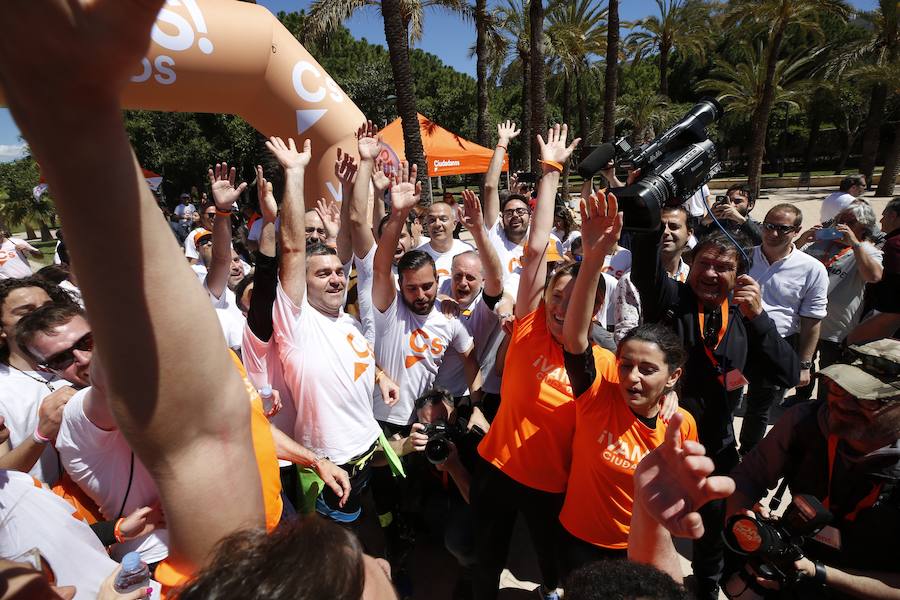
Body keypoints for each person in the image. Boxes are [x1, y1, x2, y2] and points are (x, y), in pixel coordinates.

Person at [0, 2, 287, 591]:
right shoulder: (75, 418)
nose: (79, 360)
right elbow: (192, 428)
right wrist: (72, 103)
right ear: (37, 366)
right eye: (61, 358)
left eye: (86, 342)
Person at [473, 124, 609, 600]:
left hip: (553, 486)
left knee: (556, 570)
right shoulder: (528, 326)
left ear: (593, 311)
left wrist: (668, 401)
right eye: (556, 296)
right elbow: (534, 248)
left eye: (574, 302)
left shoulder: (601, 363)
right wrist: (550, 171)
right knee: (479, 558)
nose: (560, 308)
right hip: (497, 465)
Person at [631, 215, 799, 598]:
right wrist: (651, 213)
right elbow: (645, 267)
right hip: (659, 440)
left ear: (741, 275)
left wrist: (760, 320)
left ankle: (706, 587)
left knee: (711, 527)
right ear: (691, 264)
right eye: (703, 263)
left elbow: (788, 374)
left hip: (716, 445)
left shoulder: (744, 317)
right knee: (645, 522)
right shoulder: (670, 299)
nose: (710, 273)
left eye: (723, 267)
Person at [559, 189, 697, 578]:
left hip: (638, 549)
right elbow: (575, 339)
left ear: (673, 376)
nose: (632, 377)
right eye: (626, 365)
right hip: (578, 541)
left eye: (648, 370)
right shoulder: (597, 395)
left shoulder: (680, 424)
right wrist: (593, 258)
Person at [726, 338, 900, 599]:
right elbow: (746, 478)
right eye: (840, 389)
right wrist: (747, 522)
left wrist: (817, 573)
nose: (844, 404)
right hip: (801, 555)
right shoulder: (805, 421)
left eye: (867, 400)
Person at [265, 135, 379, 525]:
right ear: (301, 283)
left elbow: (348, 236)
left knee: (376, 533)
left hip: (371, 449)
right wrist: (294, 173)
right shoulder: (295, 322)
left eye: (337, 273)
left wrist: (379, 375)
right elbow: (295, 248)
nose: (334, 279)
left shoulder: (346, 320)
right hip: (329, 465)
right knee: (335, 557)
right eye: (322, 274)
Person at [740, 204, 828, 453]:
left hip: (777, 344)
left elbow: (812, 320)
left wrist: (804, 364)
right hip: (737, 338)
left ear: (797, 231)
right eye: (769, 225)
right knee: (727, 398)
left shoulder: (812, 269)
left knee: (760, 406)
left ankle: (748, 454)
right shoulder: (742, 256)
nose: (773, 233)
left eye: (782, 228)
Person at [793, 201, 884, 402]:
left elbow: (874, 276)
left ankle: (824, 406)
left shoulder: (868, 251)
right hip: (808, 320)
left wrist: (855, 244)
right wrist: (802, 240)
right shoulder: (820, 244)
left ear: (864, 226)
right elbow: (789, 262)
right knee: (803, 362)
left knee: (830, 369)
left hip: (837, 326)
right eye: (840, 220)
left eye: (850, 222)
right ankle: (801, 399)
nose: (842, 225)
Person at [0, 277, 78, 485]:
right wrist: (41, 434)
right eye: (26, 311)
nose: (42, 315)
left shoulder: (78, 362)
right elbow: (2, 475)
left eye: (48, 307)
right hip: (45, 509)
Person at [433, 190, 507, 409]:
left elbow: (496, 277)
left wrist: (477, 231)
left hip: (464, 396)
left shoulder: (485, 305)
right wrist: (439, 298)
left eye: (471, 278)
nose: (462, 283)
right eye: (458, 276)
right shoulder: (442, 287)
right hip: (429, 392)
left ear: (482, 280)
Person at [482, 120, 563, 298]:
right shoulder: (496, 235)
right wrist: (503, 141)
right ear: (502, 218)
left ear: (531, 215)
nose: (515, 216)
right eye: (509, 212)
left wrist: (552, 168)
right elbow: (490, 186)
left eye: (521, 211)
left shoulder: (547, 242)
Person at [613, 205, 693, 343]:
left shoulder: (694, 277)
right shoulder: (630, 280)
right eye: (660, 227)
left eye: (674, 226)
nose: (666, 232)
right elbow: (625, 334)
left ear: (689, 233)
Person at [848, 197, 900, 344]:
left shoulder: (894, 244)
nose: (881, 221)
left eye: (884, 216)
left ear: (893, 216)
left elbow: (892, 288)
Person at [417, 196, 473, 285]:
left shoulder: (467, 250)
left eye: (443, 219)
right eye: (432, 220)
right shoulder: (418, 255)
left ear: (454, 224)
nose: (437, 224)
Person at [694, 183, 762, 246]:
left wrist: (741, 221)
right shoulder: (717, 225)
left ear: (750, 205)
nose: (731, 205)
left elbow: (762, 241)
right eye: (729, 200)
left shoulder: (756, 227)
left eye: (737, 201)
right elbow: (696, 240)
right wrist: (705, 221)